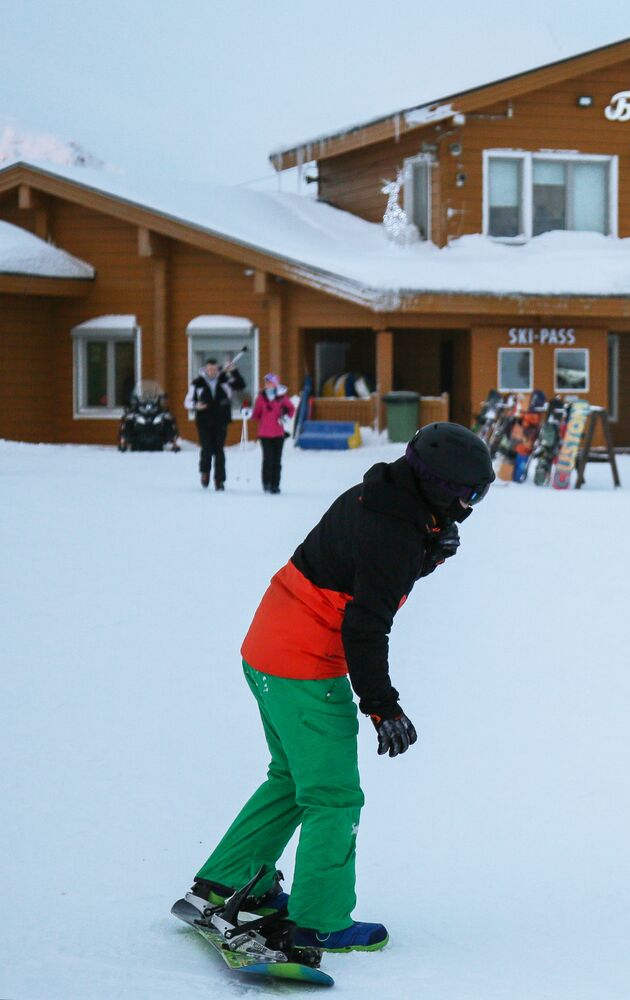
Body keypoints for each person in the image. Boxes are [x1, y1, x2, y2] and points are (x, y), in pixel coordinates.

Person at [184, 422, 494, 954]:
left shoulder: (380, 495)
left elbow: (364, 575)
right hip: (304, 666)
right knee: (334, 796)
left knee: (292, 778)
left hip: (266, 649)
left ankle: (228, 879)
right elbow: (366, 623)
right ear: (440, 487)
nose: (474, 505)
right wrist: (382, 706)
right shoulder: (395, 533)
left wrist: (428, 553)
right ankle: (320, 918)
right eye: (470, 494)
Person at [186, 357, 246, 490]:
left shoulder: (225, 380)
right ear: (205, 369)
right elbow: (187, 402)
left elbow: (241, 385)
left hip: (221, 421)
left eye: (214, 369)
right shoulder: (197, 383)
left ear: (217, 369)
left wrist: (234, 371)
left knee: (219, 450)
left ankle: (219, 480)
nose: (211, 371)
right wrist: (196, 405)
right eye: (209, 369)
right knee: (206, 448)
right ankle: (205, 473)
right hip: (204, 421)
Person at [252, 373, 297, 494]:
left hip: (278, 434)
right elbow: (255, 414)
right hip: (265, 434)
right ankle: (266, 483)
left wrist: (286, 418)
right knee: (267, 459)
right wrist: (248, 411)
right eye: (266, 382)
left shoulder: (282, 397)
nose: (268, 385)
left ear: (276, 384)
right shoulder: (261, 398)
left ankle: (275, 484)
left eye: (271, 382)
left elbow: (291, 409)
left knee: (277, 461)